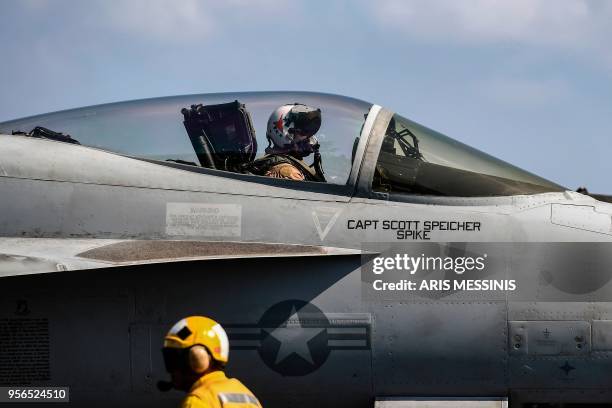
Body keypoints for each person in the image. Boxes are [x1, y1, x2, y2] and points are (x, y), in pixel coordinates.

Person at [160, 316, 261, 408]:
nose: (171, 371)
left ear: (198, 358)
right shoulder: (248, 396)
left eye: (173, 360)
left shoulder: (198, 401)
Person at [246, 103, 326, 182]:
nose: (309, 138)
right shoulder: (288, 172)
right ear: (284, 134)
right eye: (304, 132)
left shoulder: (288, 165)